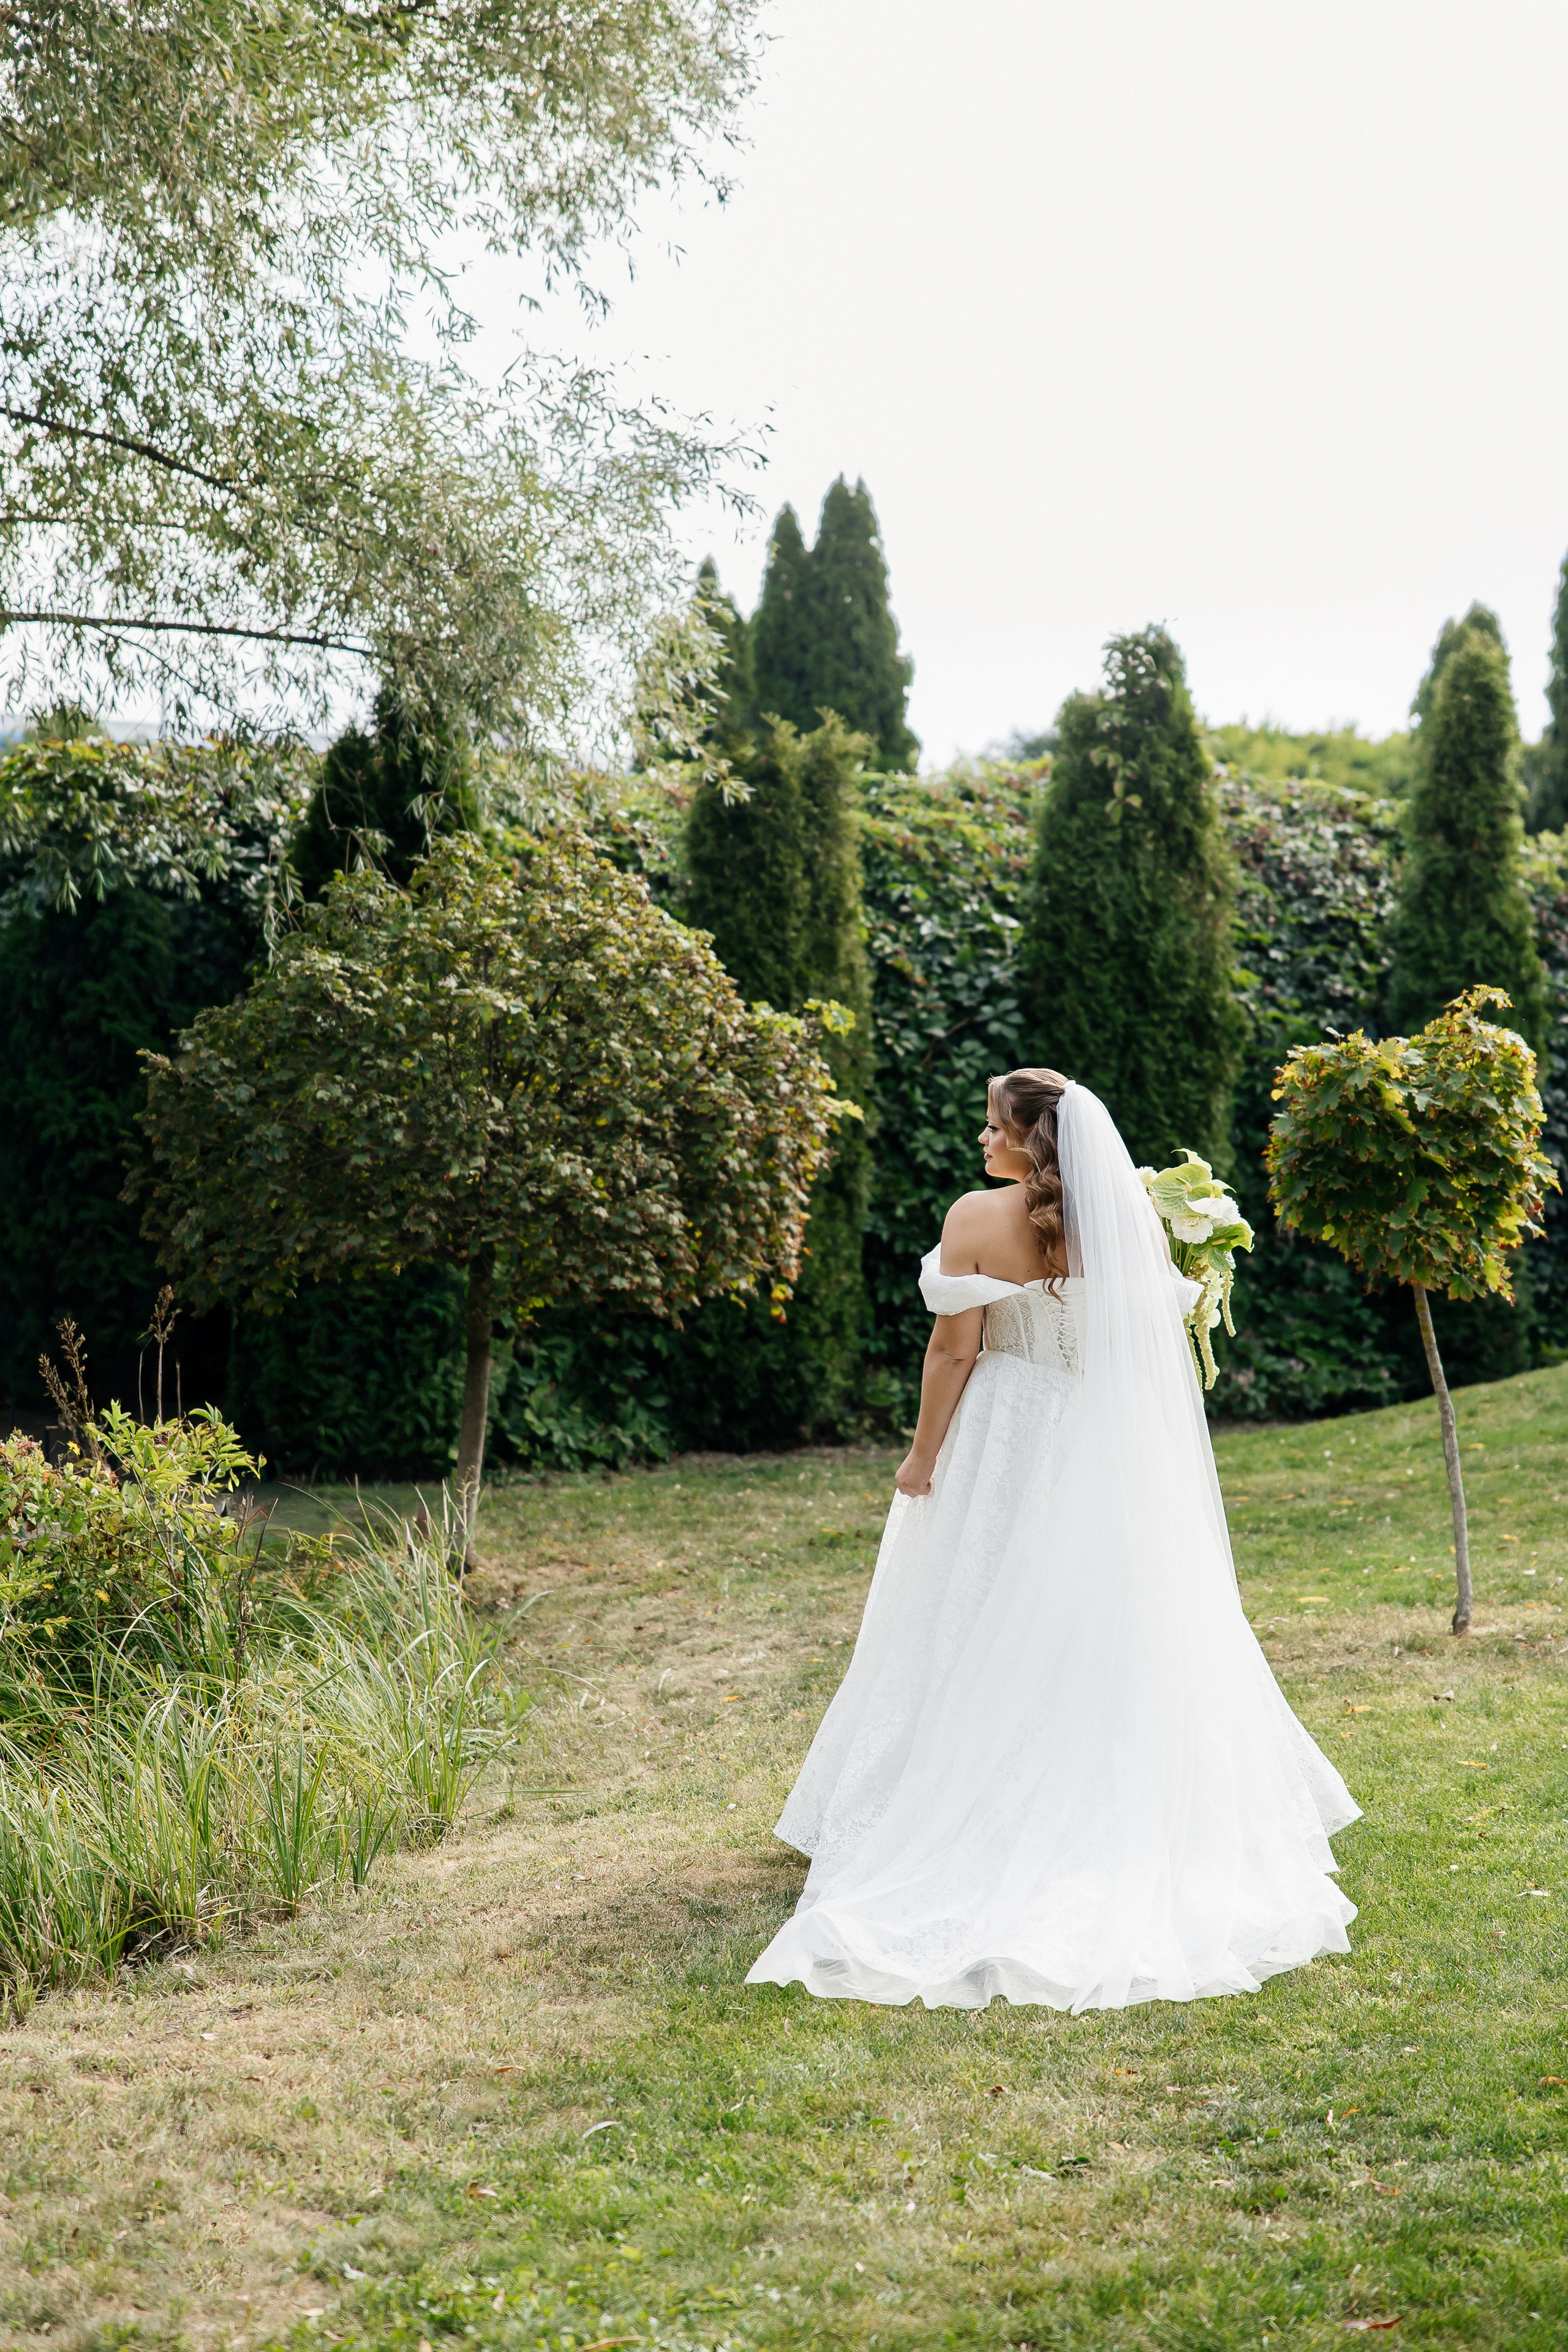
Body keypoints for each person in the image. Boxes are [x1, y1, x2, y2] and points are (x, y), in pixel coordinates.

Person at [747, 1068, 1360, 2014]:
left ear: (1031, 1139)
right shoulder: (1133, 1221)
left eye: (994, 1129)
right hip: (1105, 1449)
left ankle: (956, 1804)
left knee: (972, 1609)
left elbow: (955, 1350)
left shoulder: (976, 1219)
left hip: (1007, 1436)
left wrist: (920, 1459)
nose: (981, 1144)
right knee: (1104, 1621)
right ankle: (1104, 1798)